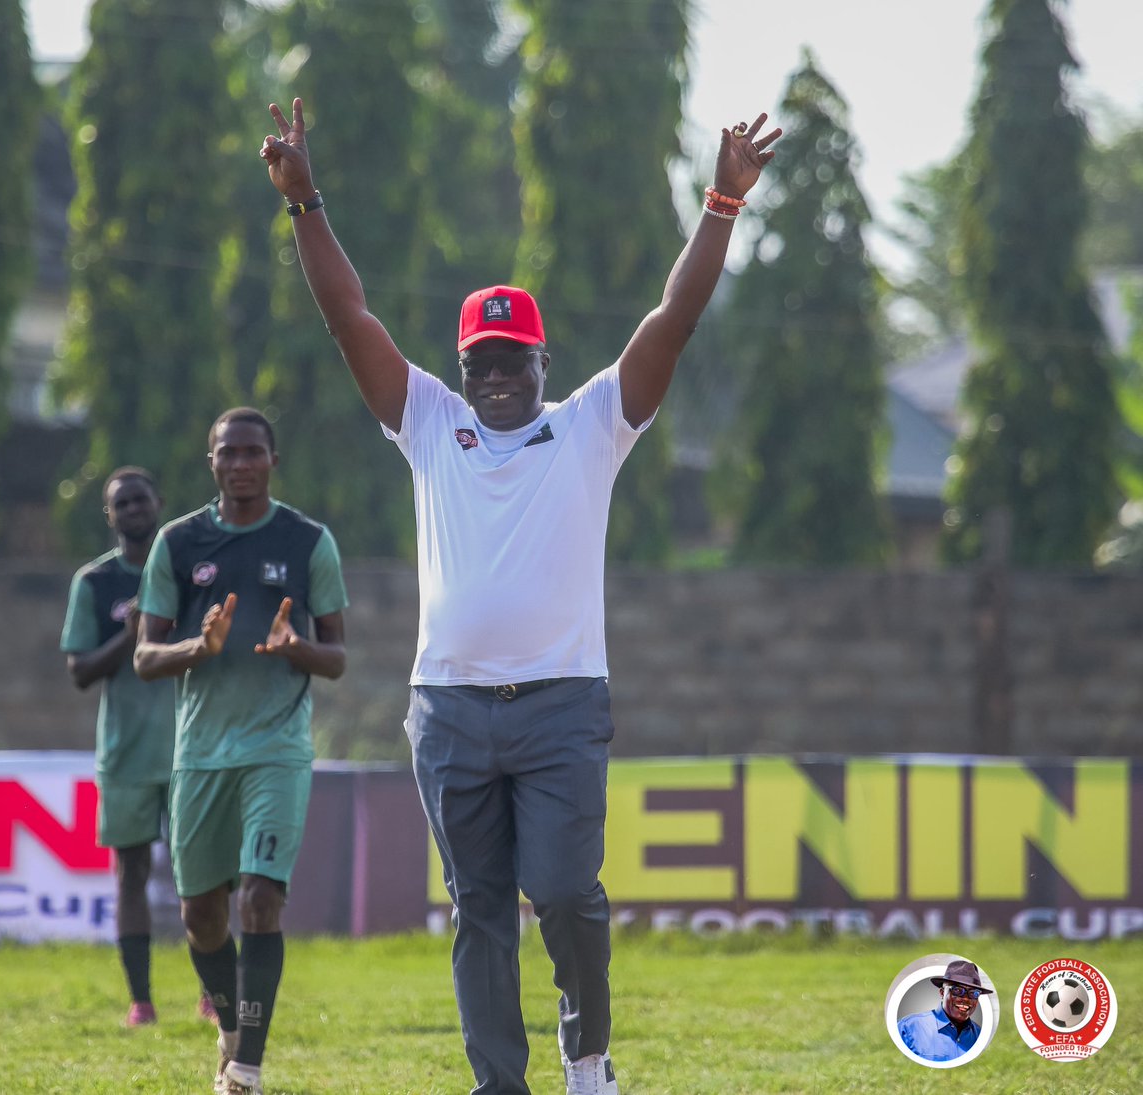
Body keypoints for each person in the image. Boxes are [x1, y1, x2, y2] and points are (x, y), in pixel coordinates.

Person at [260, 97, 780, 1095]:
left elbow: (673, 319)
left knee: (565, 892)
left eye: (516, 359)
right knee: (480, 910)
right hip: (448, 713)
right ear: (463, 368)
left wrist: (721, 201)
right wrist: (305, 203)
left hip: (560, 707)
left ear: (545, 361)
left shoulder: (592, 426)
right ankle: (499, 1084)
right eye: (483, 362)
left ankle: (589, 1060)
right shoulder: (427, 423)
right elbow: (349, 316)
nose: (498, 375)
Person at [133, 407, 348, 1095]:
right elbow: (142, 655)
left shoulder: (309, 541)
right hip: (199, 754)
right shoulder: (177, 543)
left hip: (277, 748)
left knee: (259, 897)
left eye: (254, 451)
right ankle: (230, 1029)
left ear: (273, 461)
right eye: (229, 452)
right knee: (202, 914)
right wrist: (201, 646)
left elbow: (338, 656)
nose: (242, 463)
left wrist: (298, 647)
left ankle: (246, 1069)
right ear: (213, 463)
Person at [60, 466, 213, 1026]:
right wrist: (130, 638)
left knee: (202, 876)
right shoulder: (95, 584)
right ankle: (142, 1001)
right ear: (109, 515)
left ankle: (210, 994)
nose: (132, 510)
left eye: (140, 499)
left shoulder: (190, 572)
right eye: (120, 504)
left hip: (191, 747)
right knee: (130, 875)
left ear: (159, 502)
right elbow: (79, 671)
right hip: (126, 753)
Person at [897, 958, 987, 1062]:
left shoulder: (980, 1035)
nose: (966, 999)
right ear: (942, 993)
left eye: (974, 993)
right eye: (957, 990)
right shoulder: (909, 1027)